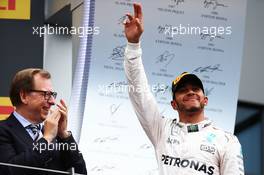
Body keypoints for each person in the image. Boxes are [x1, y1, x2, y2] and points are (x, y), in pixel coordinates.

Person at [123, 3, 244, 175]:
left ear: (205, 100)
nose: (190, 92)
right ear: (173, 104)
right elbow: (139, 91)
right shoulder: (161, 129)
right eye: (182, 90)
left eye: (196, 88)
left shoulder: (226, 141)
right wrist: (133, 45)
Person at [0, 68, 87, 175]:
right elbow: (9, 171)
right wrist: (46, 139)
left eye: (52, 94)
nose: (52, 101)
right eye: (46, 94)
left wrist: (64, 136)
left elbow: (80, 172)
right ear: (24, 96)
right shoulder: (3, 131)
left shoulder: (56, 134)